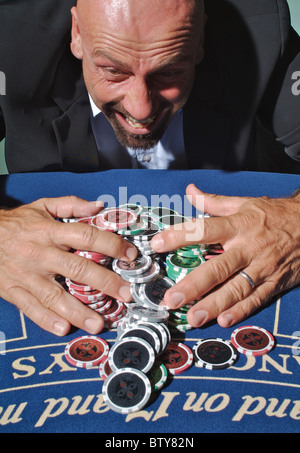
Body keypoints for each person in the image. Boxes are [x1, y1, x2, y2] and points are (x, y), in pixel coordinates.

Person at [0, 0, 299, 336]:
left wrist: (294, 220)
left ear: (200, 38)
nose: (140, 109)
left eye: (169, 71)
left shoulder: (261, 28)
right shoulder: (9, 36)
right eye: (113, 71)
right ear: (77, 33)